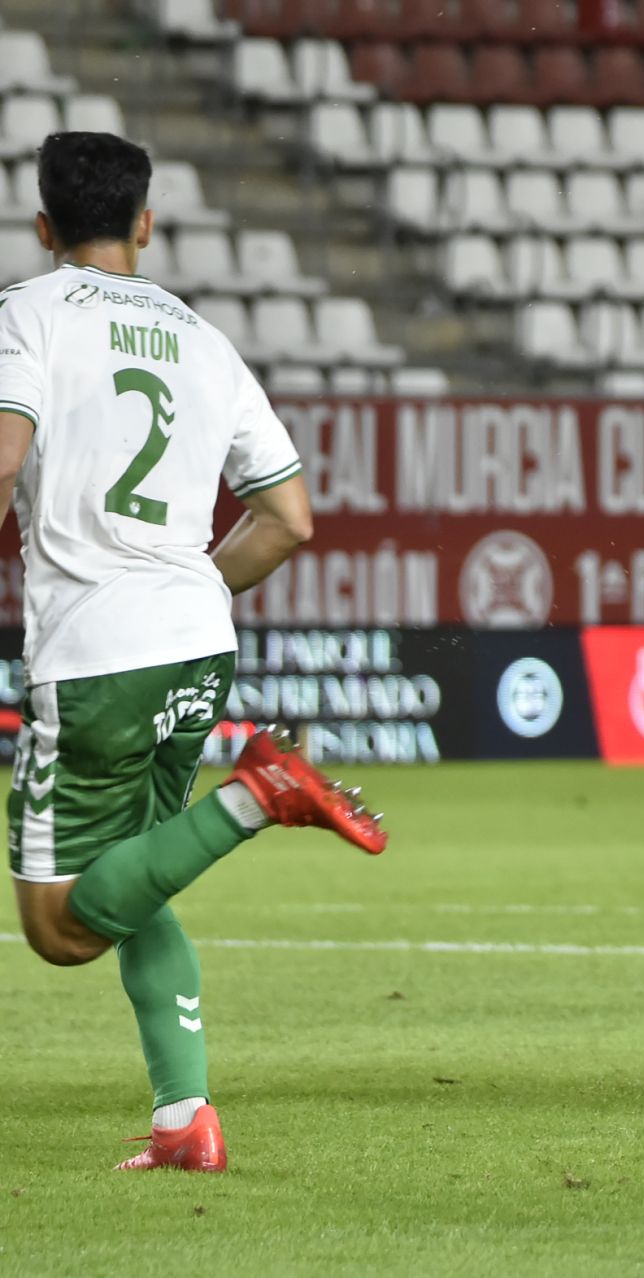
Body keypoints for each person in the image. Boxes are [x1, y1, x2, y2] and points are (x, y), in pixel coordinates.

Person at [1, 132, 388, 1173]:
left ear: (42, 227)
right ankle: (185, 1120)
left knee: (59, 927)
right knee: (137, 884)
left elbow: (1, 458)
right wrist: (187, 594)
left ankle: (256, 797)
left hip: (93, 650)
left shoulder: (26, 314)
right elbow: (290, 519)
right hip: (197, 646)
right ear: (146, 224)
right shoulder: (204, 339)